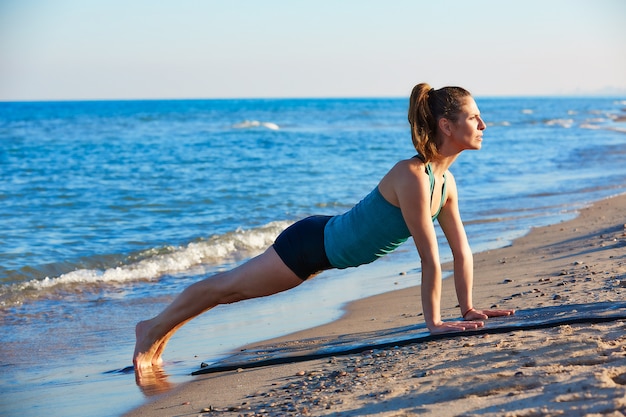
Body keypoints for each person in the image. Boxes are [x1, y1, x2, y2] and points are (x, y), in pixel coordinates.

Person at [133, 82, 515, 370]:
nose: (483, 124)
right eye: (473, 117)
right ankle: (150, 329)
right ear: (446, 125)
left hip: (324, 249)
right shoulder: (412, 175)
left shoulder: (445, 184)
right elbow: (430, 258)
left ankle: (159, 333)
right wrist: (433, 323)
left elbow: (461, 251)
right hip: (310, 244)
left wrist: (467, 309)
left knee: (229, 292)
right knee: (227, 288)